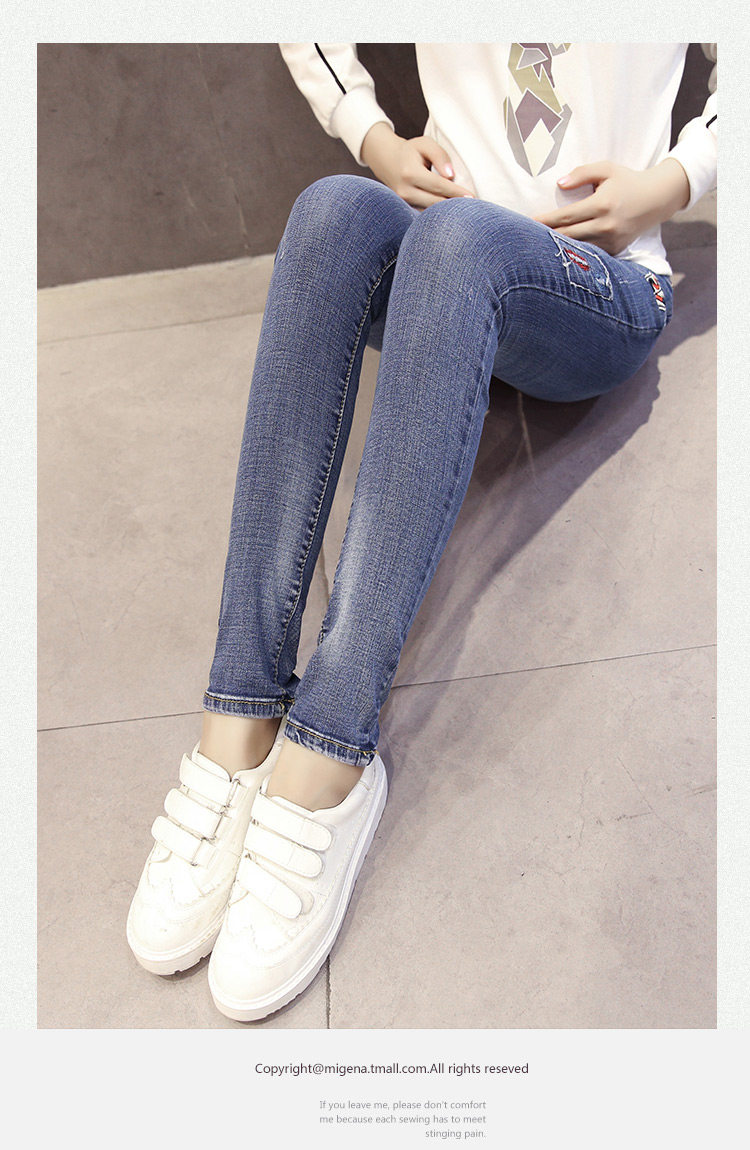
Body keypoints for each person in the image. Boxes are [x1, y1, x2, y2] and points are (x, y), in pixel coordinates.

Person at [126, 43, 717, 1022]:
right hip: (440, 259)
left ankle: (329, 754)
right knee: (333, 209)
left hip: (601, 282)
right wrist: (371, 135)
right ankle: (238, 720)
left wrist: (675, 180)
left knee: (463, 240)